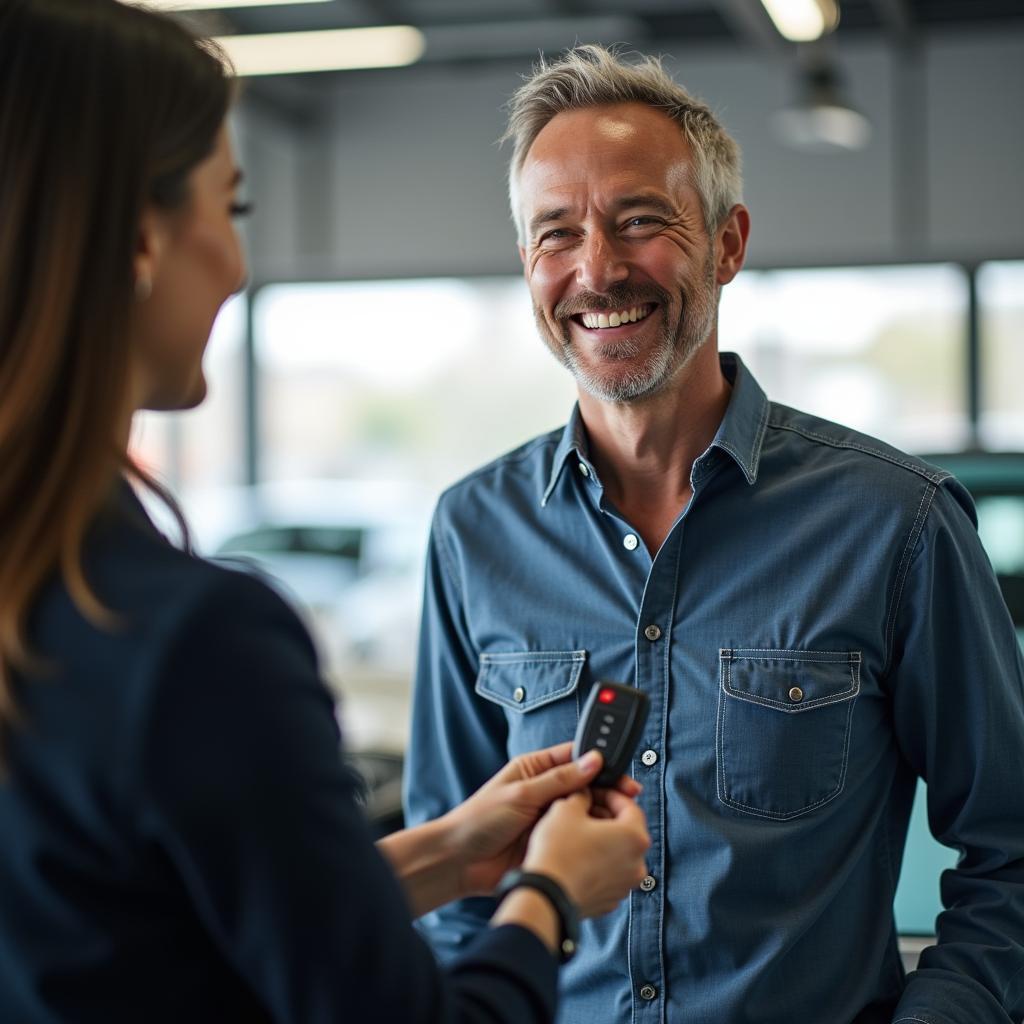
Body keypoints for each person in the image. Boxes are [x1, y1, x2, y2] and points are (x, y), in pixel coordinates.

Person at [0, 5, 652, 1023]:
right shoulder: (191, 641)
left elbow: (147, 939)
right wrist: (553, 893)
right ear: (139, 239)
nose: (238, 264)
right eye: (234, 208)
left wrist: (449, 849)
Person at [404, 44, 1024, 1024]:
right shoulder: (472, 531)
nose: (596, 269)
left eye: (640, 222)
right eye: (554, 233)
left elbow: (1012, 847)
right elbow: (452, 880)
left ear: (728, 244)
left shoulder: (892, 523)